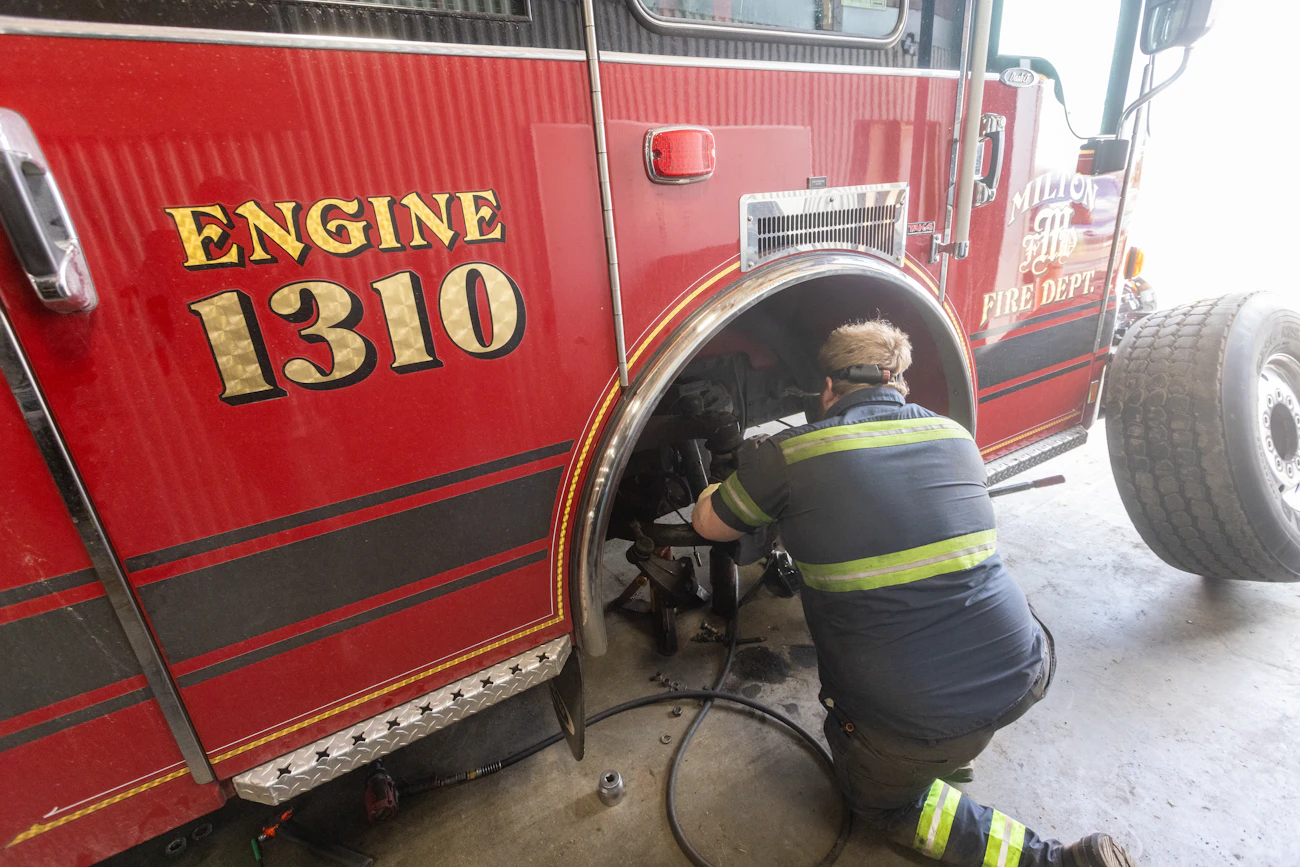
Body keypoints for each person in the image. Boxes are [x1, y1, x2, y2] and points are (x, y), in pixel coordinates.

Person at [691, 320, 1136, 867]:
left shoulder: (789, 455)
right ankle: (950, 750)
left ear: (827, 388)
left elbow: (711, 526)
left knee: (881, 804)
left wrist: (723, 486)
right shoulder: (955, 436)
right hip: (1026, 670)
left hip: (911, 719)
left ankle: (1054, 860)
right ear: (900, 382)